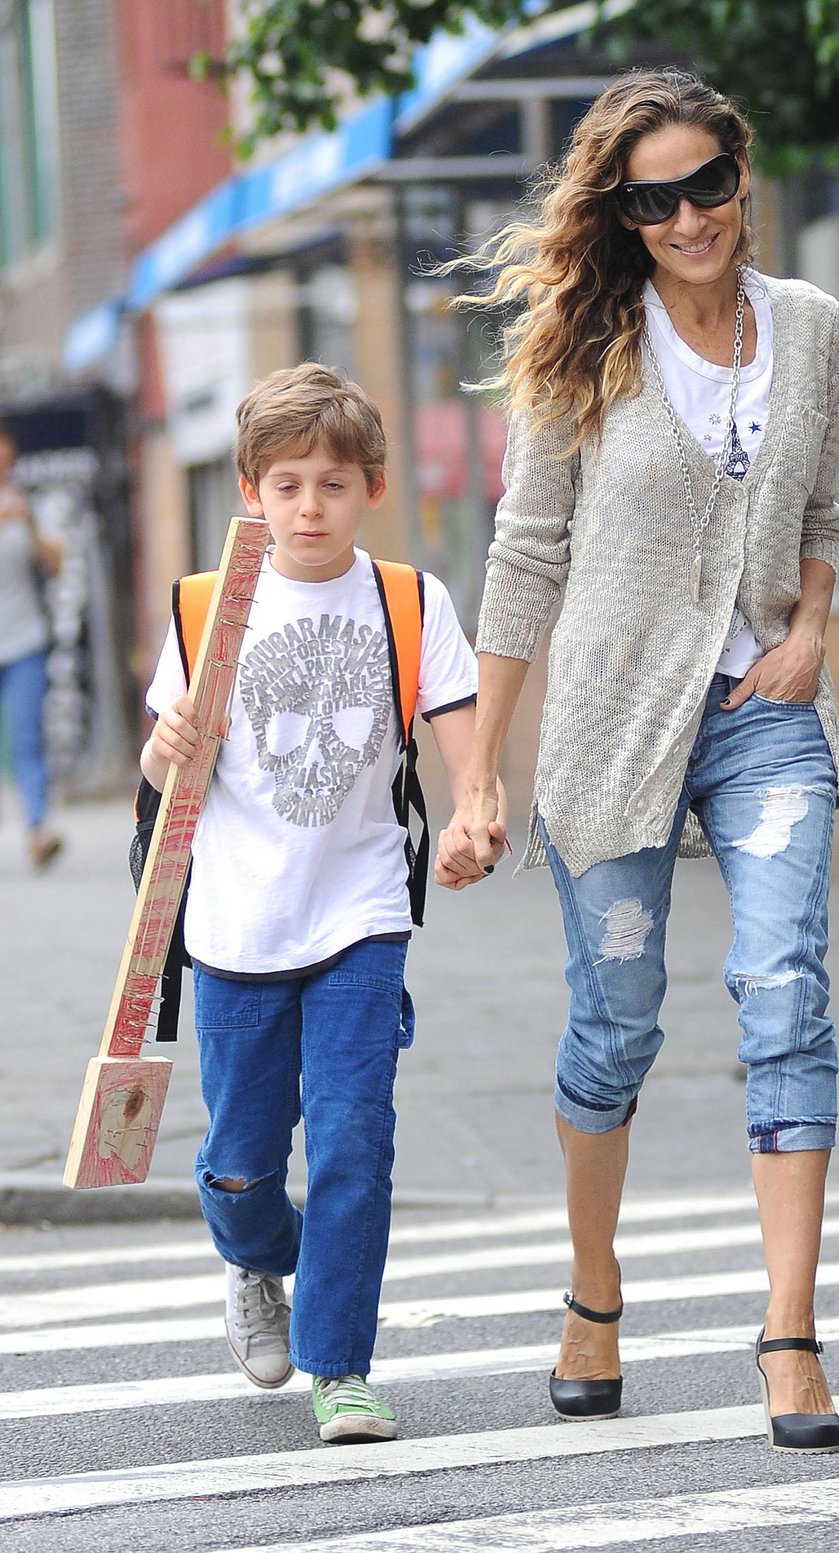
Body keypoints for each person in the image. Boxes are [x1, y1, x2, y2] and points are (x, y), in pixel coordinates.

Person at [438, 69, 839, 1453]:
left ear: (744, 172)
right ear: (622, 210)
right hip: (615, 726)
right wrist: (480, 772)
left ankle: (789, 1332)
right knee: (615, 1022)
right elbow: (526, 554)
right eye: (654, 198)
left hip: (762, 713)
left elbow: (824, 504)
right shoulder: (579, 348)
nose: (688, 218)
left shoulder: (811, 325)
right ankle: (593, 1291)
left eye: (707, 185)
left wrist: (810, 631)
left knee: (785, 985)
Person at [141, 363, 501, 1444]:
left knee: (354, 1138)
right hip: (236, 926)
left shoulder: (408, 599)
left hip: (360, 914)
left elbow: (457, 735)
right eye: (287, 483)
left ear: (372, 487)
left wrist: (476, 813)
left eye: (332, 484)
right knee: (241, 1158)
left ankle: (338, 1361)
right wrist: (162, 754)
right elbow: (163, 766)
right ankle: (255, 1258)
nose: (309, 506)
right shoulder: (208, 606)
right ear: (249, 489)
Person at [0, 421, 64, 870]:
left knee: (27, 737)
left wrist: (27, 523)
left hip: (24, 641)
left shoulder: (27, 503)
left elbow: (57, 562)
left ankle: (38, 831)